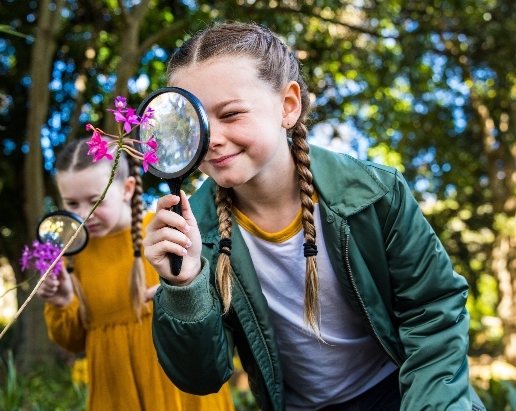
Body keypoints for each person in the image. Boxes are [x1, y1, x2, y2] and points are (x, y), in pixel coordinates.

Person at [143, 22, 486, 410]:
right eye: (195, 123)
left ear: (288, 106)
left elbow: (434, 315)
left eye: (231, 114)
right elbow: (201, 377)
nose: (213, 138)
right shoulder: (195, 234)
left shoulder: (375, 194)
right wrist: (184, 286)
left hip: (408, 393)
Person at [37, 138, 234, 411]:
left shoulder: (165, 233)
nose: (84, 214)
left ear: (128, 188)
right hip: (116, 394)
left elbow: (213, 311)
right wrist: (62, 302)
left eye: (95, 201)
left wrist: (180, 295)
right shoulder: (71, 255)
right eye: (72, 203)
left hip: (181, 391)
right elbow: (72, 342)